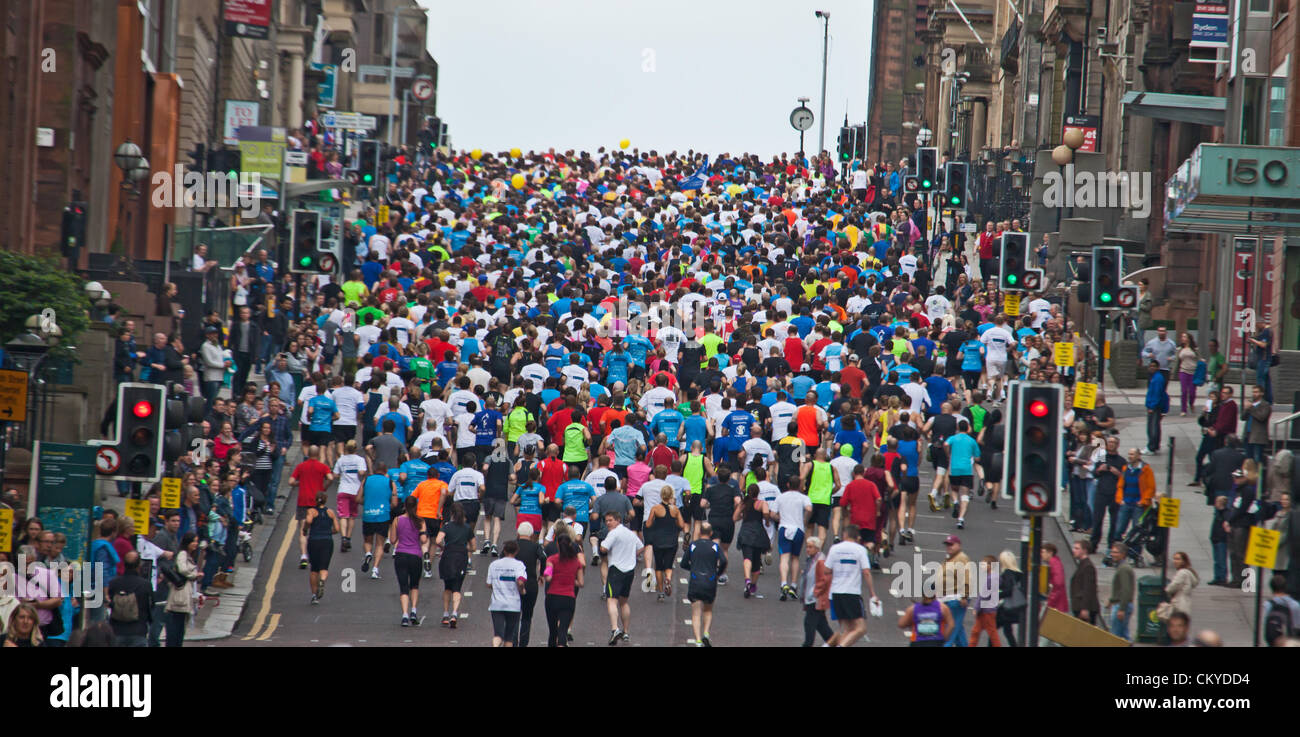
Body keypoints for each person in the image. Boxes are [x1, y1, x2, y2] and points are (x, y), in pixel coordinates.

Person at [825, 525, 879, 647]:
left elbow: (826, 570)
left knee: (847, 629)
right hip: (851, 593)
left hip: (835, 592)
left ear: (845, 535)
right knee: (861, 628)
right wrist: (872, 594)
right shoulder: (860, 550)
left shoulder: (834, 548)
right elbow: (866, 572)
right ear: (857, 537)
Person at [599, 509, 643, 645]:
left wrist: (602, 546)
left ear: (618, 520)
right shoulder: (630, 534)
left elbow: (603, 549)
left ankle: (614, 629)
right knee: (624, 602)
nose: (608, 523)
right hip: (629, 571)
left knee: (611, 600)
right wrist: (631, 556)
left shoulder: (613, 533)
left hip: (616, 570)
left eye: (610, 520)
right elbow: (641, 547)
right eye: (606, 521)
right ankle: (626, 632)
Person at [643, 482, 688, 602]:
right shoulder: (675, 510)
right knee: (668, 565)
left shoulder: (655, 508)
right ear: (671, 496)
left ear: (661, 495)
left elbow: (648, 524)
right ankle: (668, 578)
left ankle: (661, 592)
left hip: (658, 540)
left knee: (658, 566)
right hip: (672, 540)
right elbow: (682, 525)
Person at [683, 522, 726, 646]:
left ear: (700, 532)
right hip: (710, 581)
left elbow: (684, 564)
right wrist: (718, 573)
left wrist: (693, 568)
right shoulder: (715, 547)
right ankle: (706, 633)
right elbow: (723, 561)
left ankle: (697, 640)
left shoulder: (693, 546)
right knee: (708, 610)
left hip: (696, 581)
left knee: (696, 612)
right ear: (711, 533)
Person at [543, 522, 585, 647]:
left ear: (557, 544)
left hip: (552, 597)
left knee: (553, 631)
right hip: (568, 598)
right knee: (563, 630)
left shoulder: (552, 560)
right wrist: (570, 580)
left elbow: (548, 576)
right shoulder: (576, 562)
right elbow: (581, 583)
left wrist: (548, 574)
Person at [435, 502, 475, 627]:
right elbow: (473, 547)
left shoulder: (446, 527)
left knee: (447, 587)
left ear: (451, 513)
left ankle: (446, 614)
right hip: (461, 557)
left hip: (447, 556)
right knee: (457, 587)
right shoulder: (467, 528)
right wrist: (465, 548)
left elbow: (437, 540)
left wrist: (443, 547)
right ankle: (454, 613)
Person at [105, 551, 153, 647]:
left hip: (117, 630)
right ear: (139, 565)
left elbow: (109, 602)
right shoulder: (145, 584)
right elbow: (150, 606)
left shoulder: (114, 583)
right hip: (138, 630)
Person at [358, 461, 397, 580]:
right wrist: (386, 506)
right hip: (383, 516)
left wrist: (367, 503)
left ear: (374, 470)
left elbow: (358, 498)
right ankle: (375, 569)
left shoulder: (366, 480)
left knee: (367, 541)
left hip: (368, 514)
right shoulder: (390, 482)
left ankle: (368, 553)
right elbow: (394, 503)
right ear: (385, 471)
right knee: (380, 544)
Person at [485, 539, 527, 647]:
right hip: (513, 604)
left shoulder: (494, 564)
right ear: (516, 551)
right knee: (509, 637)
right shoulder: (519, 565)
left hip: (497, 604)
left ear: (504, 550)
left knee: (498, 634)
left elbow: (489, 584)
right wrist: (522, 590)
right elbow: (521, 581)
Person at [513, 521, 547, 647]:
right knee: (527, 616)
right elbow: (543, 557)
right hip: (531, 582)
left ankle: (513, 642)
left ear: (518, 532)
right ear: (532, 533)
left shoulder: (513, 545)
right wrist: (542, 574)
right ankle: (523, 643)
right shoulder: (535, 546)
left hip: (514, 583)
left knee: (515, 614)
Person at [734, 483, 772, 598]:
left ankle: (747, 581)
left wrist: (743, 516)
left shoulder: (744, 503)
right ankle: (753, 585)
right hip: (758, 534)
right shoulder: (762, 503)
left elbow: (735, 518)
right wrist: (766, 521)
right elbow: (766, 513)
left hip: (746, 533)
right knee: (756, 562)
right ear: (758, 493)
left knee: (747, 558)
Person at [301, 491, 339, 605]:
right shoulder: (330, 512)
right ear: (325, 500)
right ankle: (322, 580)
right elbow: (337, 529)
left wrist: (305, 529)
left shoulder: (311, 511)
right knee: (324, 567)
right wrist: (328, 532)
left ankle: (314, 596)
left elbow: (308, 521)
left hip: (314, 541)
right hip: (327, 541)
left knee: (314, 569)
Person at [164, 532, 201, 647]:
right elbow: (182, 569)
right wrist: (194, 575)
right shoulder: (183, 554)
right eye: (193, 541)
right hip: (179, 597)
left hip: (185, 596)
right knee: (175, 631)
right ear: (187, 542)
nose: (196, 544)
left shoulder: (188, 555)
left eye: (196, 541)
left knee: (180, 631)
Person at [1106, 543, 1136, 641]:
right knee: (1123, 635)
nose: (1112, 554)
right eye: (1112, 552)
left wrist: (1122, 609)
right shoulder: (1122, 567)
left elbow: (1126, 590)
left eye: (1115, 552)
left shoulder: (1124, 569)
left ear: (1123, 554)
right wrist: (1111, 600)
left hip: (1121, 605)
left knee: (1116, 637)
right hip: (1121, 604)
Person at [996, 550, 1025, 647]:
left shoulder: (1007, 573)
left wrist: (997, 595)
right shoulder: (1018, 574)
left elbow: (1009, 590)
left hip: (1006, 608)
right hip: (1014, 607)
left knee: (993, 629)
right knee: (1007, 631)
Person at [1069, 540, 1099, 625]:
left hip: (1084, 608)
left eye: (1077, 548)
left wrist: (1085, 608)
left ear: (1085, 550)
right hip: (1080, 606)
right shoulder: (1083, 564)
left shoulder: (1088, 567)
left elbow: (1088, 589)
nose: (1074, 550)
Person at [1143, 359, 1169, 454]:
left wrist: (1152, 407)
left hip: (1154, 407)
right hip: (1155, 406)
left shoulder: (1157, 379)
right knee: (1156, 426)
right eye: (1150, 366)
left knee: (1152, 427)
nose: (1152, 368)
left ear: (1158, 367)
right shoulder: (1156, 377)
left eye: (1154, 366)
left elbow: (1156, 394)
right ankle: (1155, 446)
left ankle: (1151, 447)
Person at [1165, 550, 1199, 617]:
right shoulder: (1187, 572)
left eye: (1178, 559)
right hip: (1185, 603)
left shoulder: (1182, 573)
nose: (1175, 561)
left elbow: (1173, 586)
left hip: (1179, 603)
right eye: (1174, 559)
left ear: (1184, 561)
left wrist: (1165, 590)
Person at [1043, 542, 1069, 613]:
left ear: (1050, 553)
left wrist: (1050, 601)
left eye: (1043, 552)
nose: (1041, 554)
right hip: (1057, 603)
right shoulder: (1054, 562)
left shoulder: (1054, 563)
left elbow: (1058, 583)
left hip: (1056, 604)